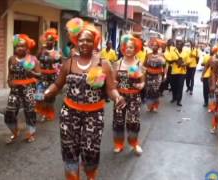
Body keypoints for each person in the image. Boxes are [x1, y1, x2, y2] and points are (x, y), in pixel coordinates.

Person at [43, 18, 125, 180]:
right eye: (81, 40)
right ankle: (73, 177)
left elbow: (111, 89)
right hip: (69, 113)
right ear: (76, 41)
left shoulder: (104, 64)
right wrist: (47, 92)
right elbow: (58, 84)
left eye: (88, 40)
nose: (85, 43)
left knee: (90, 150)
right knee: (69, 148)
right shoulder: (69, 62)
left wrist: (117, 97)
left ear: (94, 42)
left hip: (94, 115)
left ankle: (90, 174)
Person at [112, 34, 145, 155]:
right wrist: (114, 88)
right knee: (118, 121)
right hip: (121, 96)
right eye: (126, 47)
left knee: (133, 121)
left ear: (135, 48)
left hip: (134, 97)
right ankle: (118, 144)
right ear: (123, 48)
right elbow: (114, 81)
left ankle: (134, 143)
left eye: (131, 47)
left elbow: (142, 82)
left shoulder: (139, 64)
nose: (129, 49)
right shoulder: (118, 63)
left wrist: (140, 86)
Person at [5, 34, 41, 144]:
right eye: (18, 46)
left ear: (27, 47)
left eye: (23, 46)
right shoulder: (11, 59)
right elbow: (10, 74)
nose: (20, 48)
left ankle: (31, 133)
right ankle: (15, 131)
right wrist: (9, 82)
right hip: (15, 90)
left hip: (28, 89)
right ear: (15, 47)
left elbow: (39, 74)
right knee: (9, 113)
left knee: (30, 113)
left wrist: (32, 73)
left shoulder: (33, 59)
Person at [36, 28, 62, 121]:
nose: (48, 41)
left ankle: (47, 113)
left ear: (54, 41)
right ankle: (43, 112)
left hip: (52, 79)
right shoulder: (41, 51)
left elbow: (60, 67)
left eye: (50, 40)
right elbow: (36, 60)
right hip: (42, 78)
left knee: (49, 98)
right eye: (47, 39)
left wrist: (59, 81)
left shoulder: (57, 53)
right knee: (39, 96)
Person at [143, 39, 166, 112]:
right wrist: (144, 75)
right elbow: (144, 65)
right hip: (149, 76)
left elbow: (165, 66)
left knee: (155, 90)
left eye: (156, 46)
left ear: (158, 47)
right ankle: (150, 106)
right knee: (149, 90)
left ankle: (155, 105)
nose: (154, 47)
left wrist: (164, 75)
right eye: (153, 45)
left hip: (157, 76)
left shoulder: (161, 55)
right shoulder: (148, 55)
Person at [169, 38, 189, 106]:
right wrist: (175, 61)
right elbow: (170, 60)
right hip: (174, 71)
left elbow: (188, 62)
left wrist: (184, 64)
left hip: (182, 72)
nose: (178, 45)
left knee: (180, 86)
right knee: (174, 86)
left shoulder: (186, 52)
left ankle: (179, 100)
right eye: (177, 44)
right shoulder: (173, 51)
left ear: (183, 45)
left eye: (180, 44)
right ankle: (174, 97)